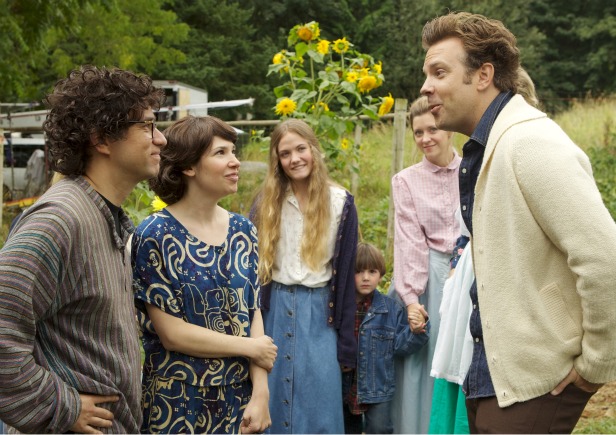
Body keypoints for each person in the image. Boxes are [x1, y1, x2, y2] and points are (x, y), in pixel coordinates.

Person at [420, 11, 616, 433]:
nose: (426, 86)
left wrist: (596, 364)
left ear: (483, 74)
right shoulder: (491, 144)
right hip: (493, 375)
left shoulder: (530, 144)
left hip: (537, 385)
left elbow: (605, 258)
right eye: (426, 74)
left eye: (439, 71)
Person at [0, 65, 166, 433]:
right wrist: (63, 406)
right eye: (148, 126)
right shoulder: (59, 220)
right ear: (101, 139)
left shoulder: (103, 216)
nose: (162, 139)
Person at [131, 115, 277, 434]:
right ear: (189, 167)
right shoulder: (156, 235)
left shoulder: (243, 231)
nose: (235, 162)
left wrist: (261, 392)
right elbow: (171, 333)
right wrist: (249, 348)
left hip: (241, 396)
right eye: (221, 153)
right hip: (178, 400)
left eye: (234, 152)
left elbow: (251, 311)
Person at [427, 66, 542, 435]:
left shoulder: (527, 150)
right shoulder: (476, 157)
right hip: (471, 274)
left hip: (507, 277)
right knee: (463, 357)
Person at [250, 118, 359, 434]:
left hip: (319, 314)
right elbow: (249, 270)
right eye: (285, 153)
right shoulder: (266, 204)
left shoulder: (340, 202)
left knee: (319, 403)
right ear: (278, 161)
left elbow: (347, 281)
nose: (295, 158)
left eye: (301, 149)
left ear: (314, 150)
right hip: (273, 311)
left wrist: (347, 344)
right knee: (270, 399)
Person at [390, 95, 461, 434]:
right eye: (418, 133)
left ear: (448, 129)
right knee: (425, 362)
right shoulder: (406, 180)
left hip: (468, 273)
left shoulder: (472, 170)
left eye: (432, 129)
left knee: (461, 357)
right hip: (425, 278)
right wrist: (412, 299)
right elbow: (409, 241)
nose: (426, 138)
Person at [343, 242, 429, 434]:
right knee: (346, 428)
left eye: (372, 271)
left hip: (378, 387)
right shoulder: (340, 309)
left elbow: (401, 345)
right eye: (359, 271)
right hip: (344, 387)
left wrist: (418, 329)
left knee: (380, 429)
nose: (366, 277)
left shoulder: (390, 309)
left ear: (381, 275)